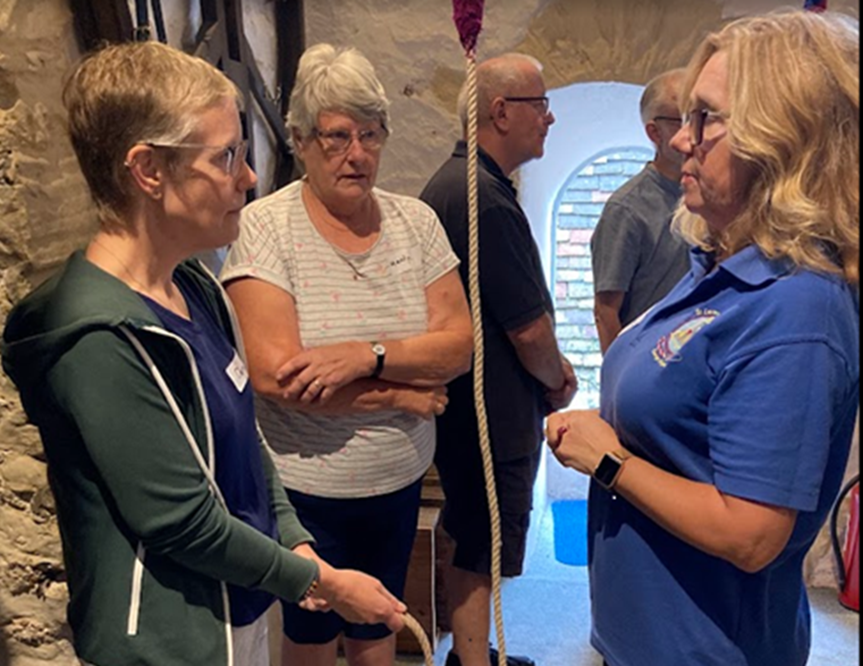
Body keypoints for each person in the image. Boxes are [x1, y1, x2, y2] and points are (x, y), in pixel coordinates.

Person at [0, 41, 408, 666]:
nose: (248, 177)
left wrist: (295, 542)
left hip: (234, 609)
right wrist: (321, 581)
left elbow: (247, 441)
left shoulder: (195, 285)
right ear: (148, 170)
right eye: (225, 157)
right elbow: (181, 520)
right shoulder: (96, 337)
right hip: (166, 640)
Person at [547, 10, 859, 666]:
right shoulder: (720, 267)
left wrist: (609, 461)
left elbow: (751, 533)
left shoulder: (794, 307)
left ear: (781, 136)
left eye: (705, 118)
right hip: (648, 635)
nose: (682, 140)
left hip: (706, 647)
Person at [220, 44, 473, 666]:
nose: (356, 154)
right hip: (306, 491)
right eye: (336, 136)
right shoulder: (267, 227)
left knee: (379, 625)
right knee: (310, 637)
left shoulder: (416, 223)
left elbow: (459, 345)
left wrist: (364, 356)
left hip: (396, 480)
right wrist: (402, 394)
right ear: (302, 141)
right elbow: (279, 376)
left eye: (370, 134)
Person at [420, 54, 577, 666]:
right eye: (541, 105)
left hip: (470, 406)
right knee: (482, 540)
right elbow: (528, 330)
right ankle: (471, 660)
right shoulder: (482, 198)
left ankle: (471, 653)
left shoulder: (459, 184)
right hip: (489, 412)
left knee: (473, 535)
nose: (550, 118)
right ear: (501, 111)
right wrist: (558, 379)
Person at [590, 68, 691, 354]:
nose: (693, 134)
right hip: (649, 361)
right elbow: (606, 312)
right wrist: (619, 374)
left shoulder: (714, 197)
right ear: (654, 132)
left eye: (701, 118)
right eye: (683, 121)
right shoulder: (626, 210)